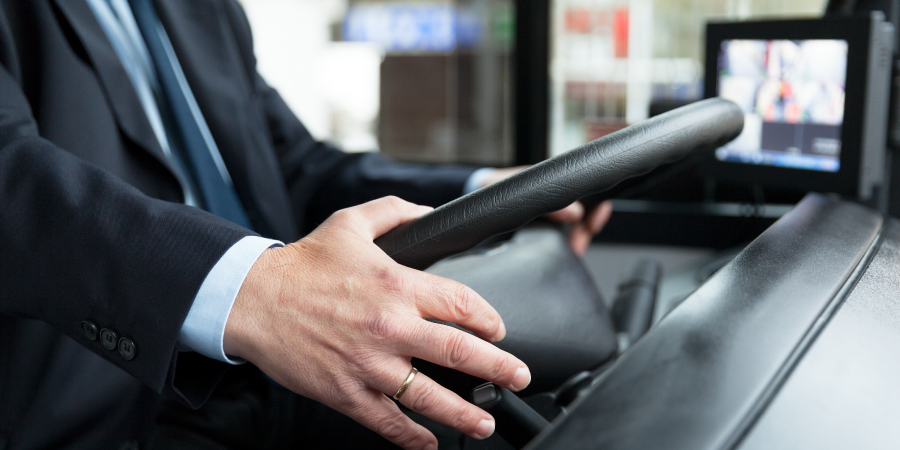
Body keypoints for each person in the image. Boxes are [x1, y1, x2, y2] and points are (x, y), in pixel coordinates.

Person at [0, 1, 611, 449]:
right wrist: (254, 289)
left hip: (276, 378)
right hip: (108, 407)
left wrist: (482, 192)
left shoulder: (198, 12)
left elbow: (296, 168)